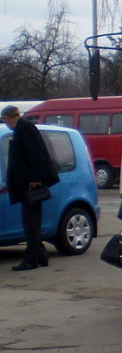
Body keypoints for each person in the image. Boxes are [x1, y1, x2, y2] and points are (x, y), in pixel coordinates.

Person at [2, 105, 59, 271]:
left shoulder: (25, 129)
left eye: (4, 119)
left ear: (7, 117)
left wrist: (35, 178)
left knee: (31, 223)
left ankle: (31, 258)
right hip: (25, 184)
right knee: (31, 223)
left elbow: (36, 154)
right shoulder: (22, 129)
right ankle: (40, 255)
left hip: (31, 185)